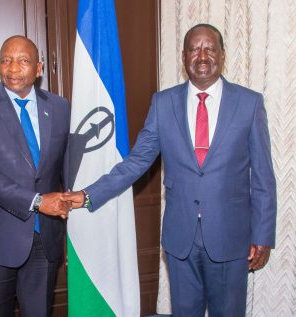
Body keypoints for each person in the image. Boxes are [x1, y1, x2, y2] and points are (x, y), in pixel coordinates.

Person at [64, 24, 277, 316]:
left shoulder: (250, 104)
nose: (202, 56)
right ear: (183, 56)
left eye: (210, 49)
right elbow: (137, 161)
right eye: (194, 49)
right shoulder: (163, 103)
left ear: (222, 55)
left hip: (230, 237)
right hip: (181, 240)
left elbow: (264, 177)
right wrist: (88, 195)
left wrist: (263, 236)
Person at [0, 35, 70, 316]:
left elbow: (67, 165)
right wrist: (36, 201)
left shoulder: (59, 107)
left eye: (23, 61)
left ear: (39, 68)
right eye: (6, 60)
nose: (13, 68)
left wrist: (82, 198)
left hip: (44, 240)